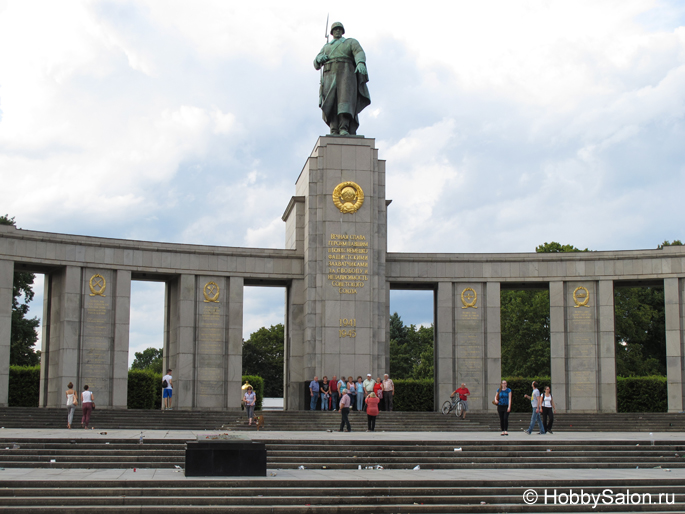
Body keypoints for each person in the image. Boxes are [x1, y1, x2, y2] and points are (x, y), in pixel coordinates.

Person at [313, 21, 371, 136]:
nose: (337, 31)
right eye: (335, 29)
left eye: (339, 29)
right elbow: (316, 63)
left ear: (343, 31)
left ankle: (344, 127)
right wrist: (319, 59)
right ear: (332, 32)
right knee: (331, 102)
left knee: (345, 102)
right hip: (329, 74)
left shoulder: (350, 42)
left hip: (346, 73)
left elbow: (359, 52)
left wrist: (360, 62)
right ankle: (334, 129)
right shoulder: (326, 47)